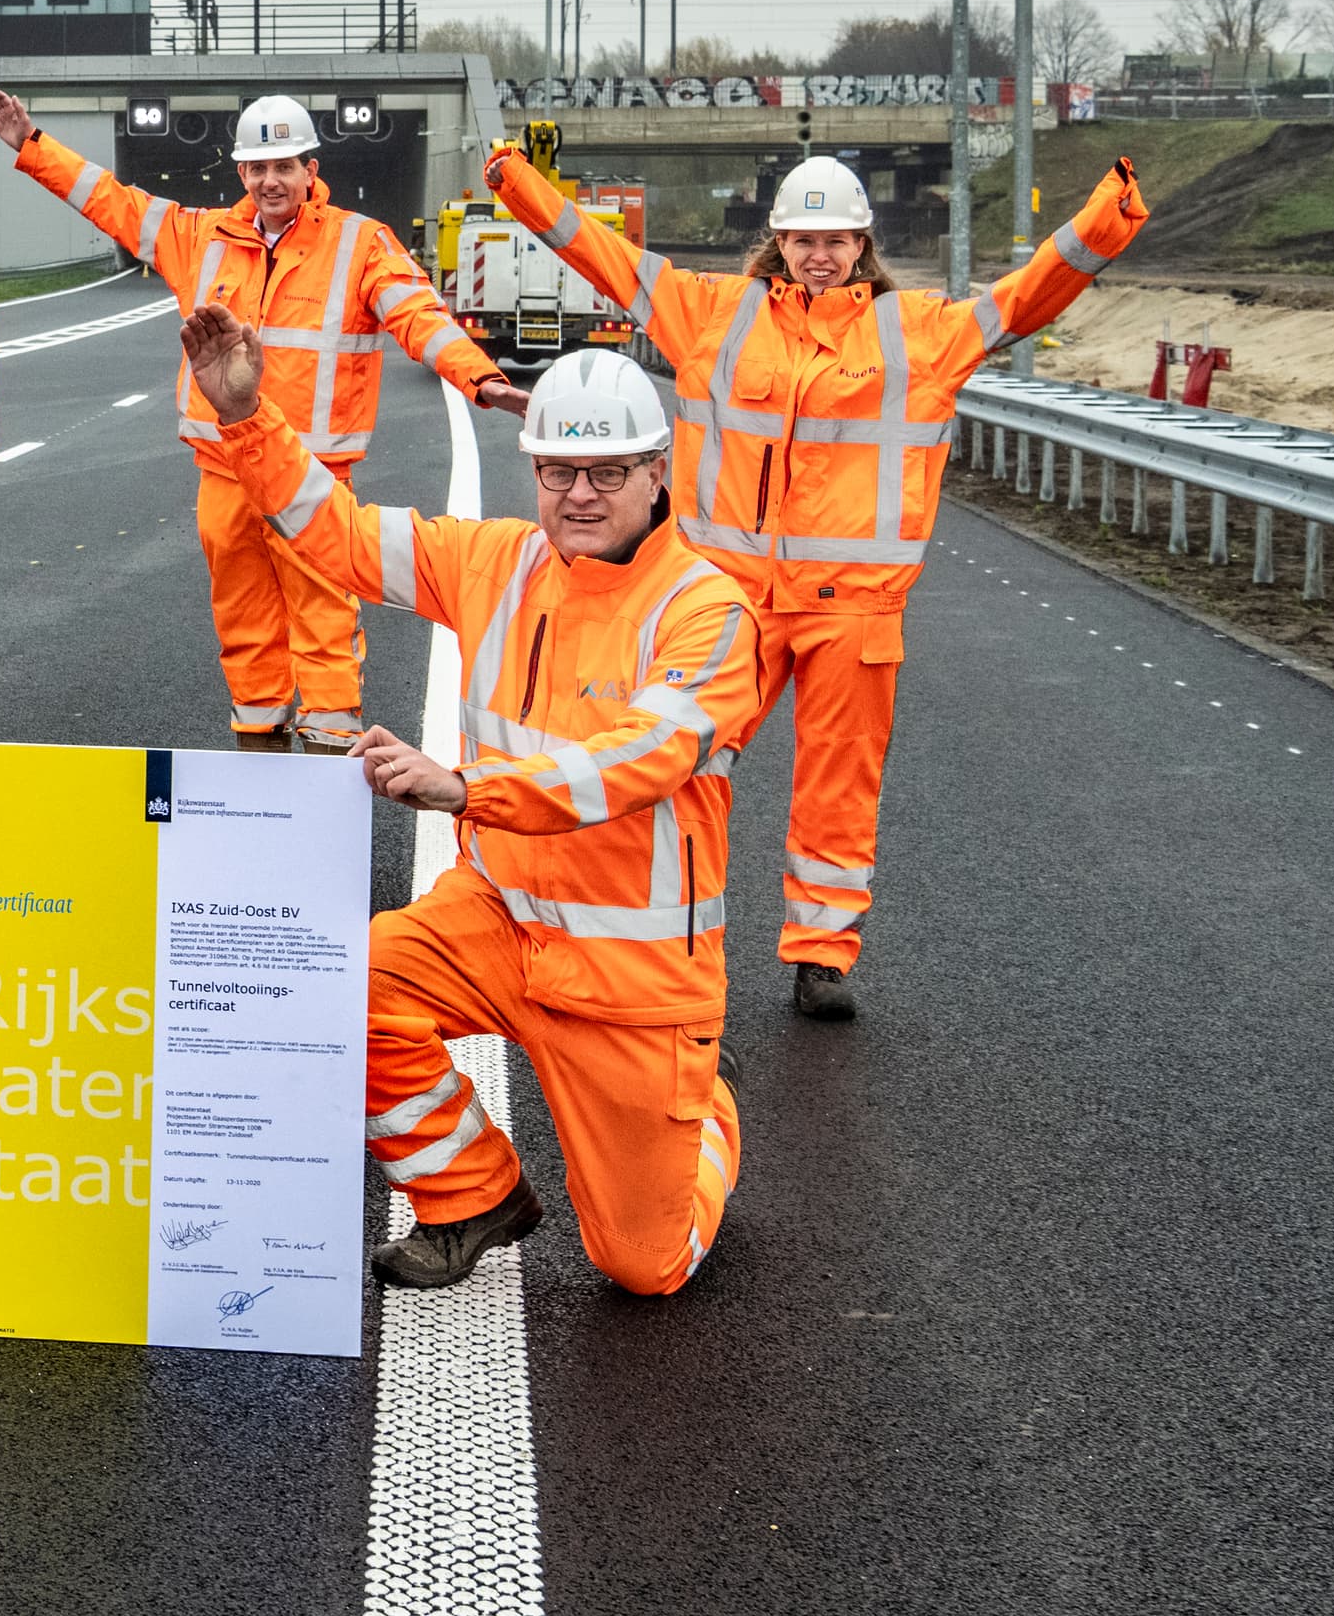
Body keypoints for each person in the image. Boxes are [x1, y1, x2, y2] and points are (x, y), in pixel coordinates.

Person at [489, 145, 1147, 1019]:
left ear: (862, 244)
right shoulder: (713, 314)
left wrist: (1110, 214)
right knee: (680, 766)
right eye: (804, 239)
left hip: (855, 610)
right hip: (727, 607)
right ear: (778, 242)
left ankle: (822, 955)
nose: (821, 254)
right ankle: (657, 935)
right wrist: (514, 179)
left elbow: (1028, 295)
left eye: (836, 239)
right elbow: (600, 253)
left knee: (838, 788)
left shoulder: (919, 331)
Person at [183, 306, 764, 1296]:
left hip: (630, 983)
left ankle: (701, 1108)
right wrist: (247, 419)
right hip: (495, 916)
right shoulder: (496, 560)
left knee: (644, 1268)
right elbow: (345, 539)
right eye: (556, 473)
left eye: (608, 472)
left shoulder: (707, 610)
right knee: (333, 988)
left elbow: (640, 759)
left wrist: (465, 787)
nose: (579, 495)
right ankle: (470, 1192)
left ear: (658, 473)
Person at [0, 88, 523, 753]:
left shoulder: (360, 244)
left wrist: (479, 377)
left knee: (324, 614)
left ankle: (330, 750)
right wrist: (33, 147)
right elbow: (110, 200)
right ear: (241, 174)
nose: (271, 180)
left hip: (312, 478)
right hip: (226, 468)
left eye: (285, 166)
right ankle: (259, 742)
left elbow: (418, 316)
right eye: (258, 168)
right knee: (243, 619)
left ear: (309, 171)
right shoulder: (197, 237)